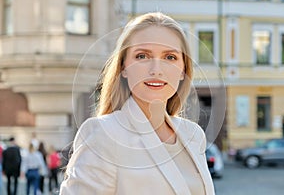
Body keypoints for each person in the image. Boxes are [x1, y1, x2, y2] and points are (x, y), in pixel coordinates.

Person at [60, 12, 215, 195]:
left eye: (170, 57)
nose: (156, 70)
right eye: (142, 56)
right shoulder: (103, 134)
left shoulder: (193, 135)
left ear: (183, 70)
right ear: (124, 68)